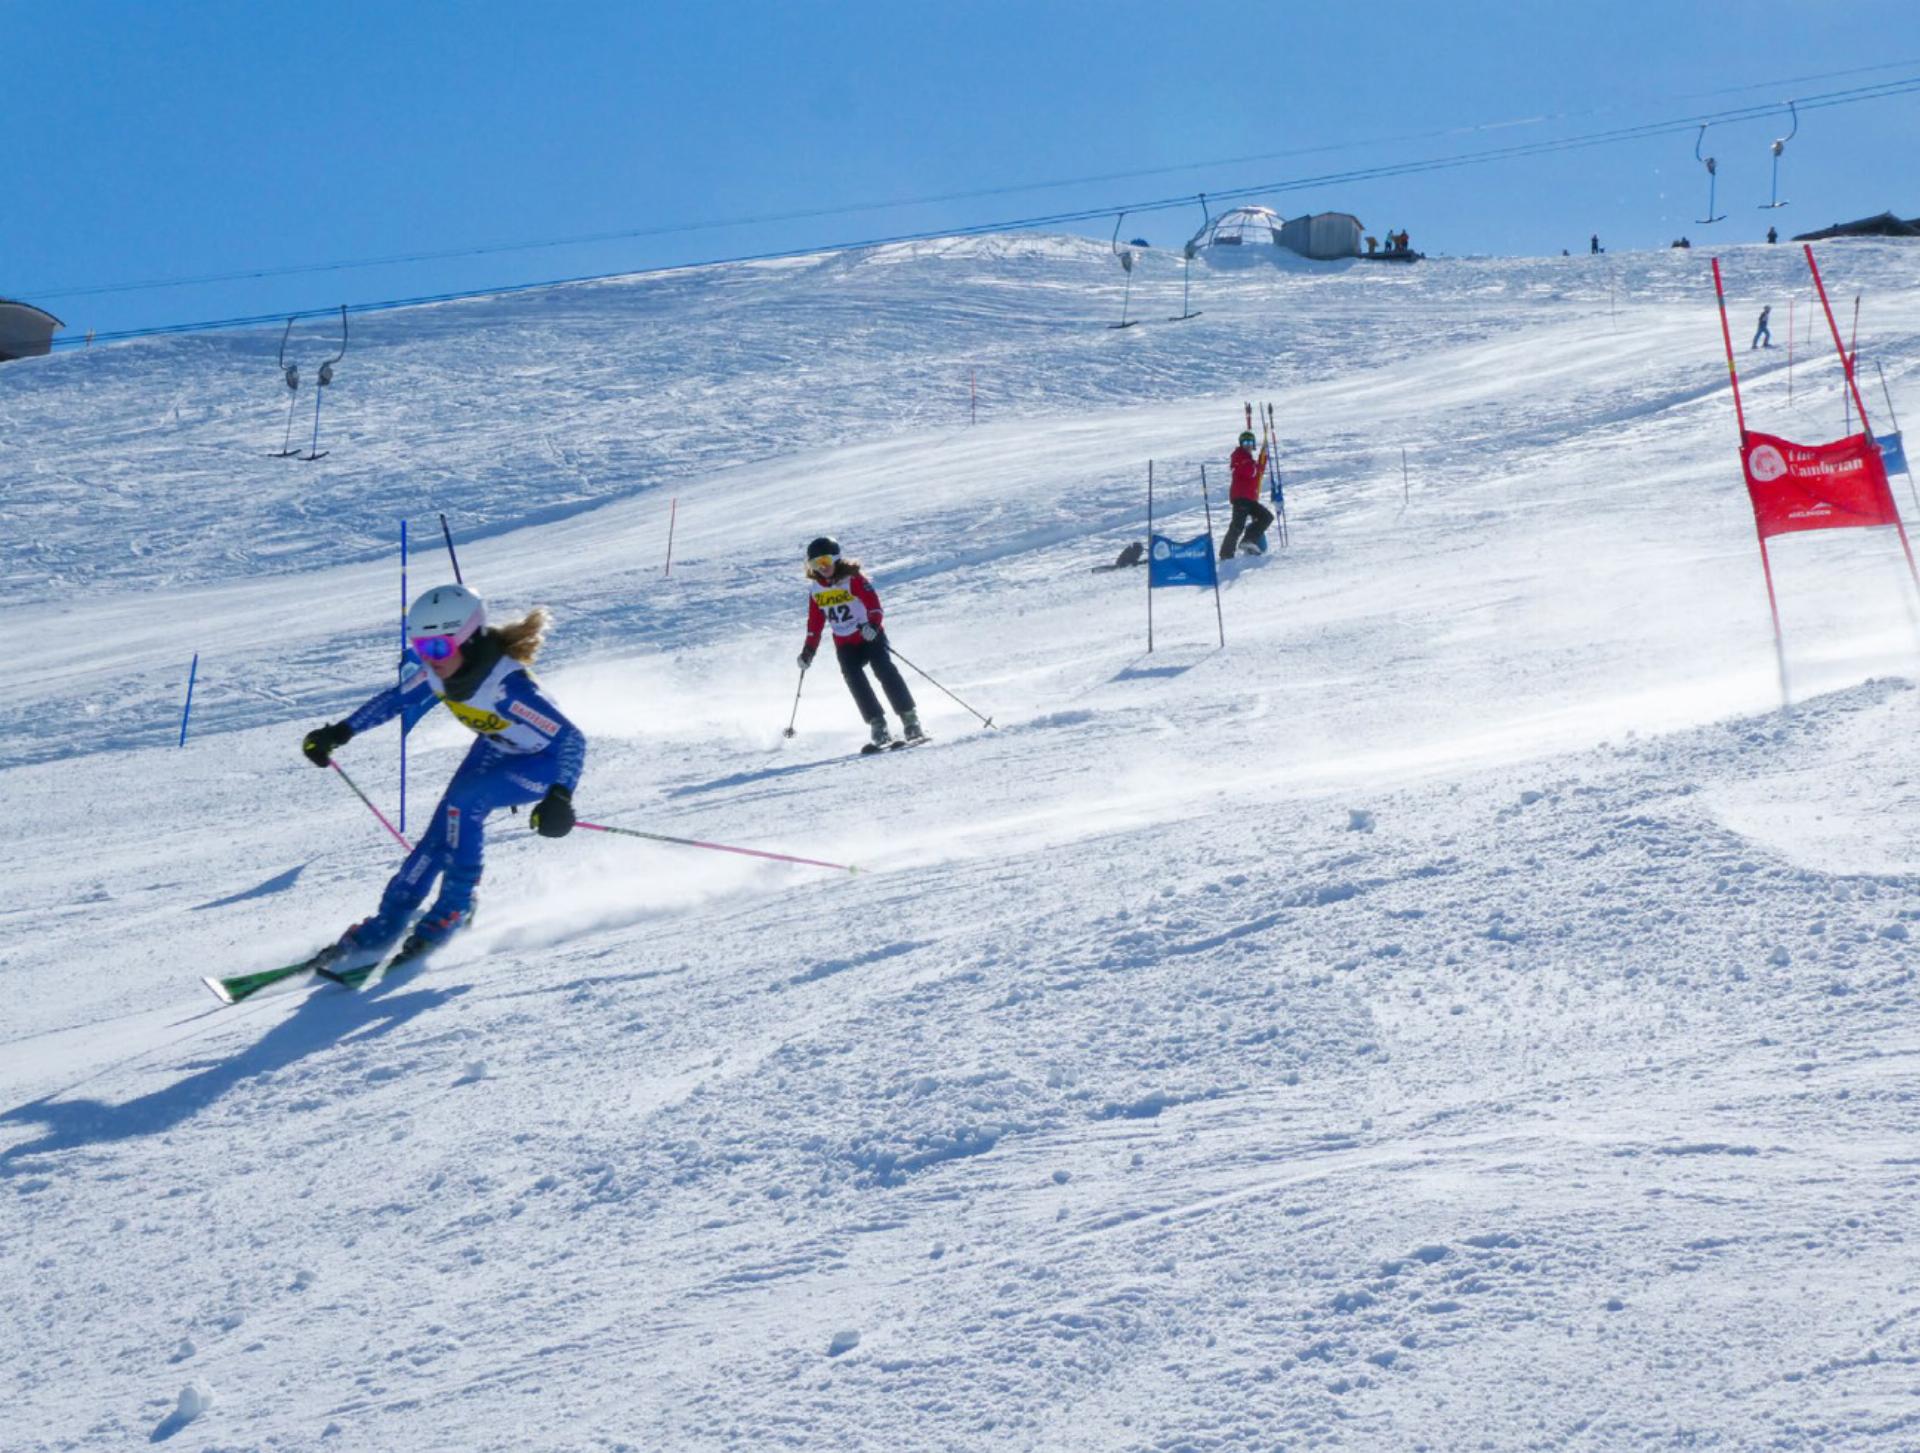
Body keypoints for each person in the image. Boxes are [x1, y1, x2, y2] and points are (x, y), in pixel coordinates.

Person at [299, 584, 586, 974]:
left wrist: (559, 797)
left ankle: (454, 907)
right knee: (441, 835)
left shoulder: (507, 688)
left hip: (542, 763)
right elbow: (396, 699)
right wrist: (338, 732)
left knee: (465, 803)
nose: (429, 660)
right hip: (497, 748)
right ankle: (386, 925)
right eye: (421, 648)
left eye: (437, 649)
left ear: (467, 641)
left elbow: (570, 738)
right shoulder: (438, 676)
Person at [797, 537, 924, 751]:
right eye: (815, 564)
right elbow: (815, 624)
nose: (822, 567)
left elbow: (874, 606)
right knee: (853, 679)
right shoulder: (816, 590)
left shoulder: (852, 579)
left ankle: (910, 720)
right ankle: (878, 724)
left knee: (884, 671)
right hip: (845, 643)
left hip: (868, 636)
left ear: (837, 559)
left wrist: (872, 626)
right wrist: (808, 651)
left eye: (826, 561)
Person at [1220, 429, 1277, 559]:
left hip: (1249, 498)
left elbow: (1257, 473)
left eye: (1250, 442)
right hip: (1241, 498)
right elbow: (1251, 472)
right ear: (1241, 444)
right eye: (1245, 442)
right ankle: (1226, 555)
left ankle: (1248, 540)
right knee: (1237, 526)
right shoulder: (1240, 456)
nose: (1248, 444)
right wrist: (1258, 466)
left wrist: (1262, 461)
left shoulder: (1249, 459)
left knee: (1266, 517)